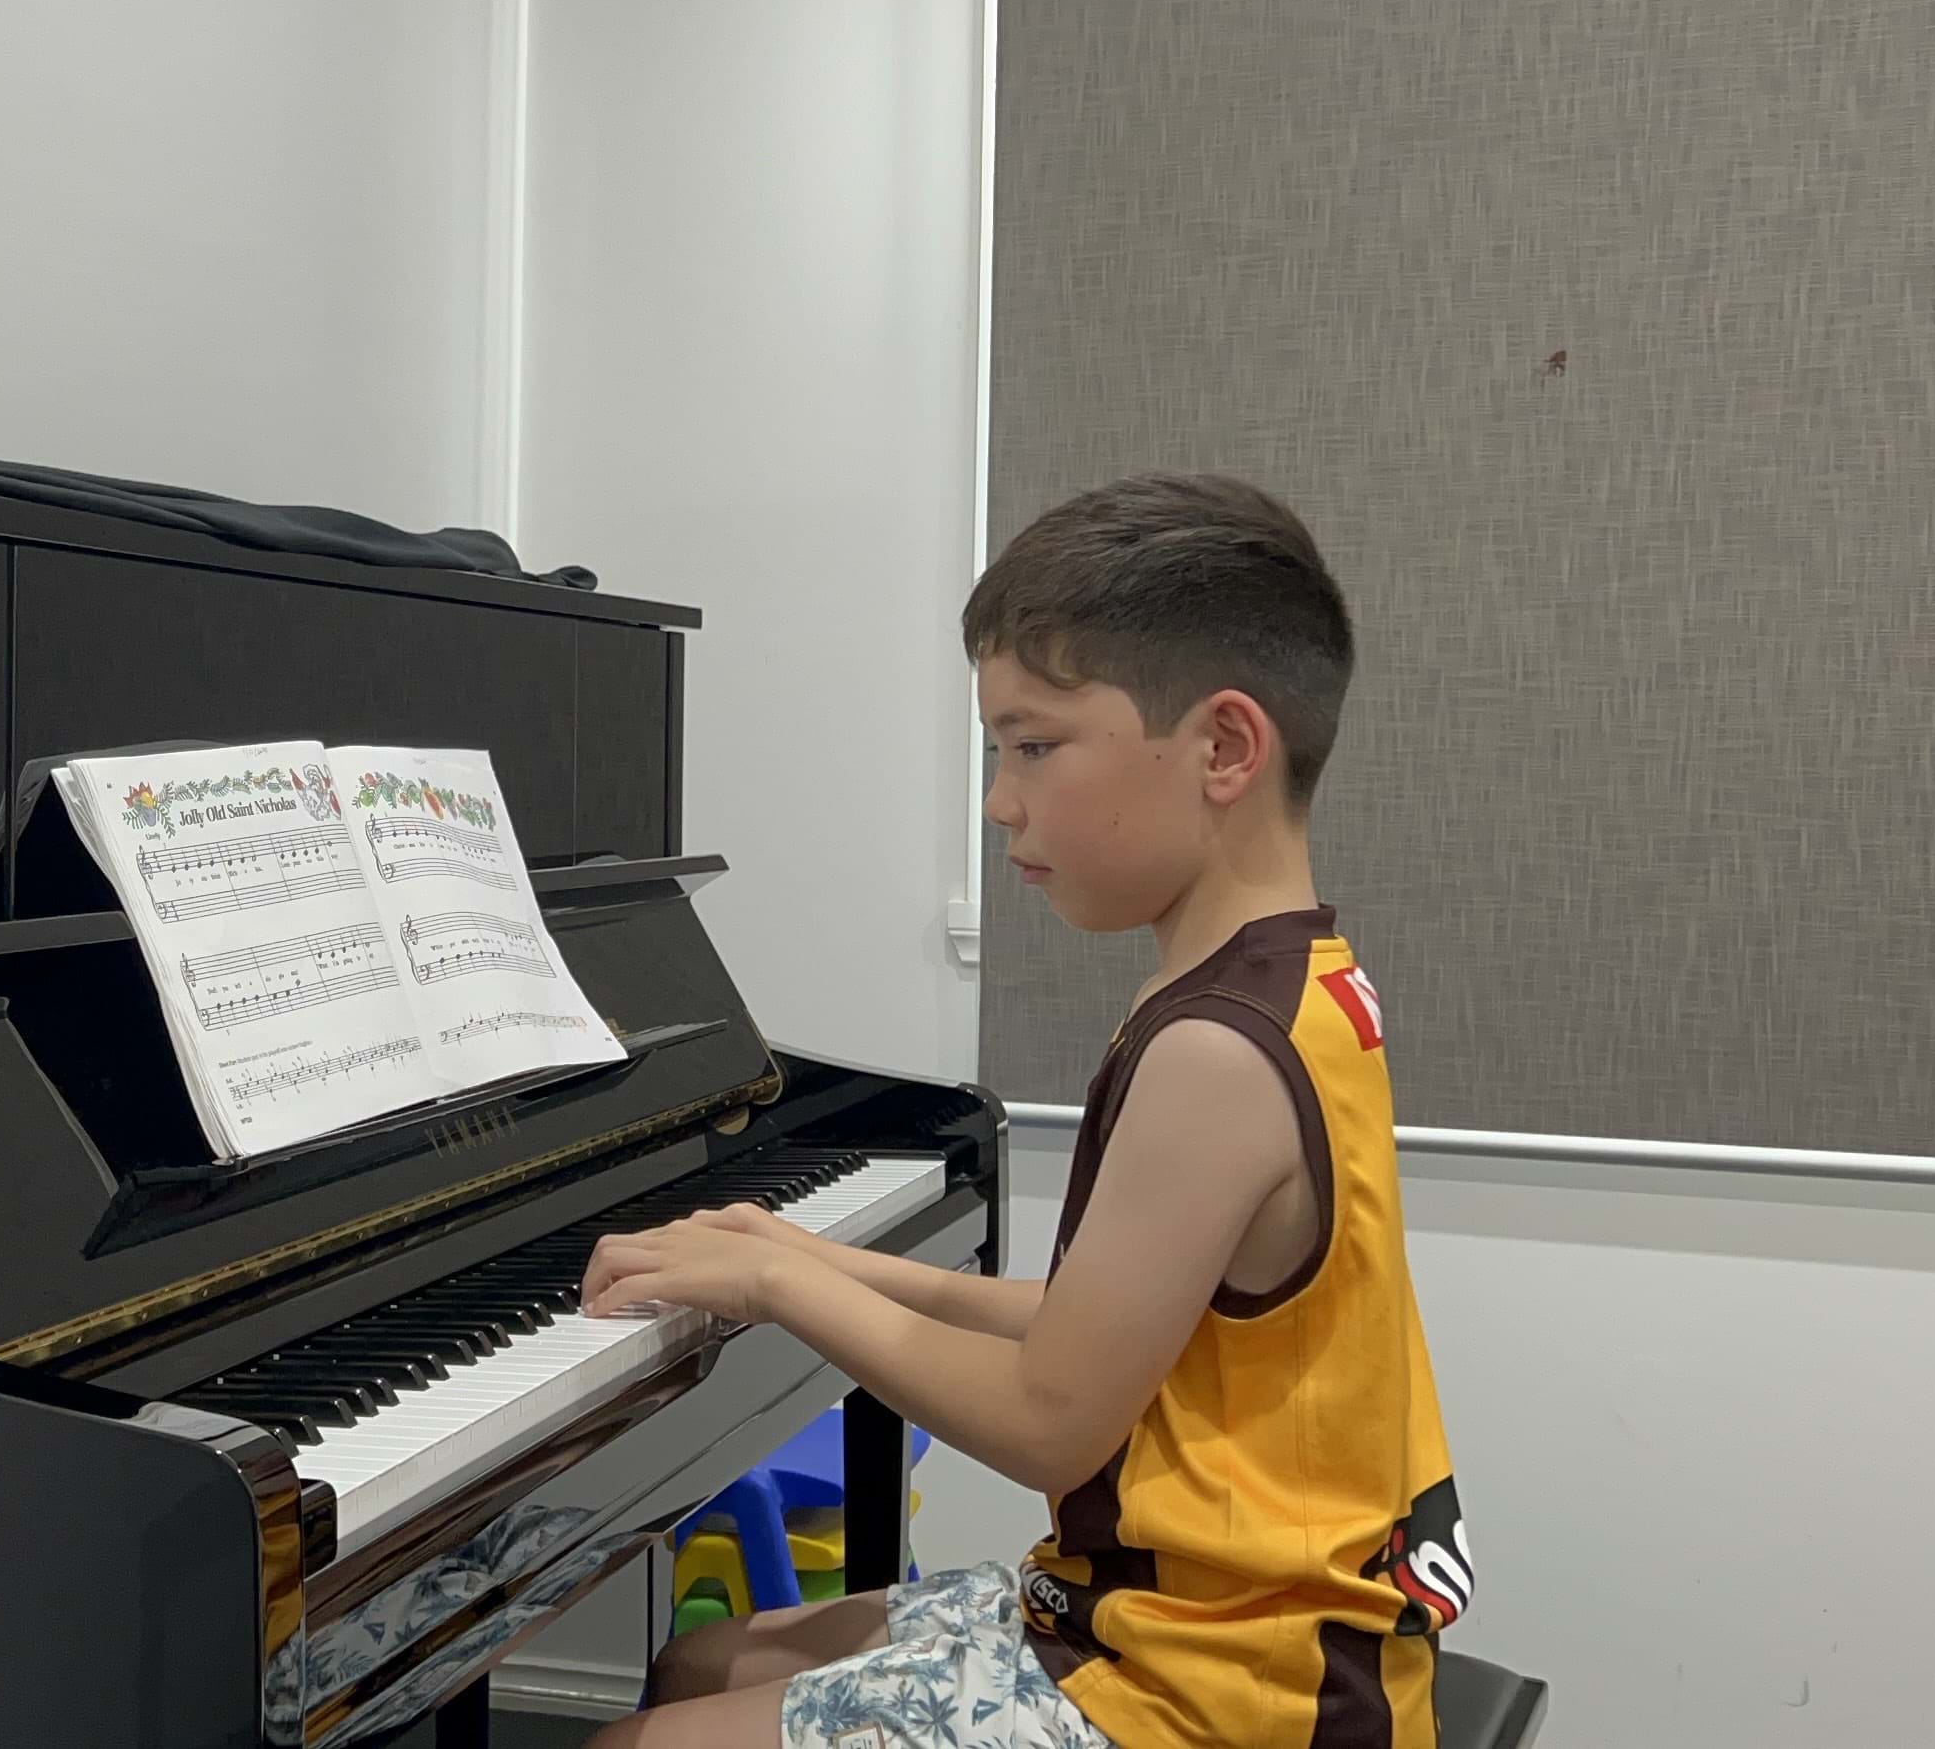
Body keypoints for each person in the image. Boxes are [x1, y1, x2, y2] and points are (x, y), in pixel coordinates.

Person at [582, 476, 1469, 1749]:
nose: (1001, 799)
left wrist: (781, 1289)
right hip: (1186, 1618)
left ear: (1224, 748)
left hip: (1222, 1690)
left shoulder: (1216, 1052)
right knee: (698, 1662)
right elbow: (1088, 1329)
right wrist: (811, 1255)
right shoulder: (1291, 984)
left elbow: (1048, 1421)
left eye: (1033, 746)